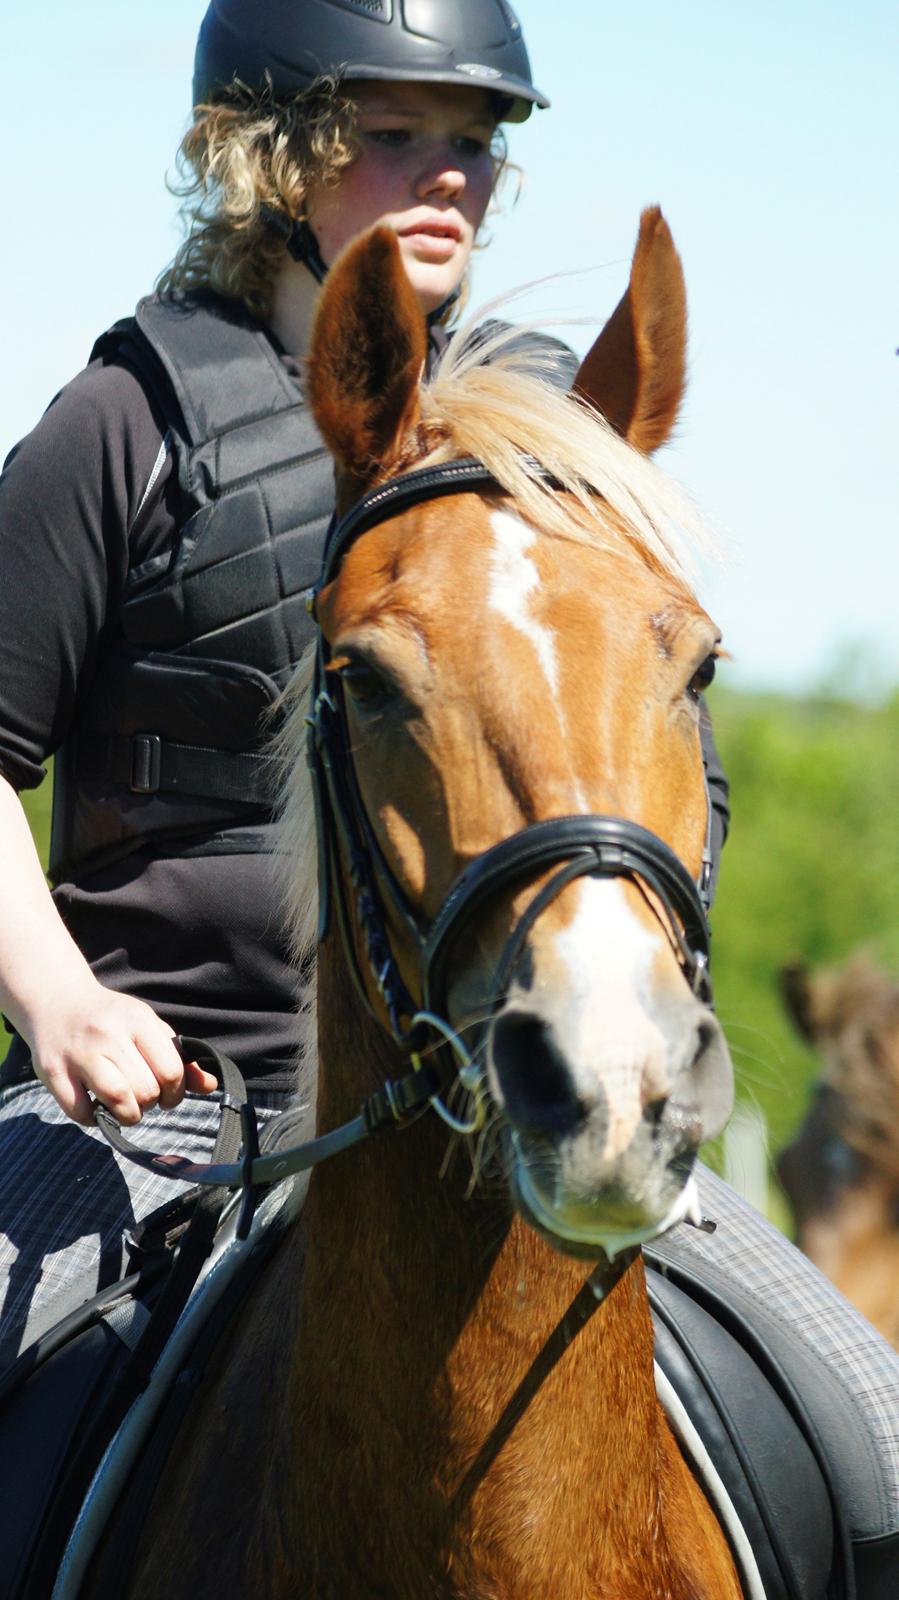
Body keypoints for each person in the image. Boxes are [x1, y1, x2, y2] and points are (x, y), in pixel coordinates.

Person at [0, 5, 896, 1585]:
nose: (448, 178)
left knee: (872, 1430)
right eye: (392, 134)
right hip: (153, 1116)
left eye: (475, 141)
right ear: (270, 147)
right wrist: (63, 1005)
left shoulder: (557, 443)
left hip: (510, 1079)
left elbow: (645, 739)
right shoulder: (120, 424)